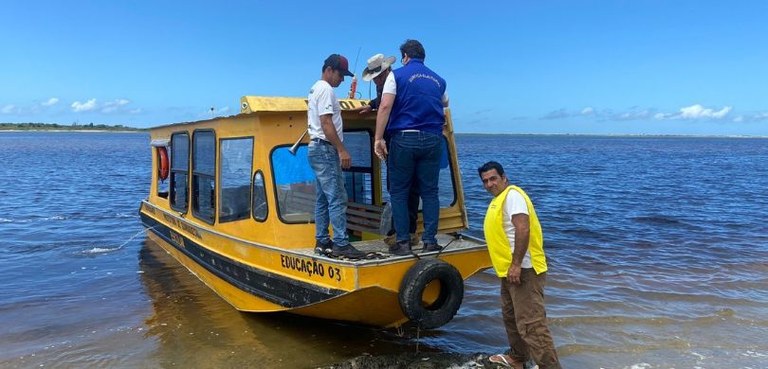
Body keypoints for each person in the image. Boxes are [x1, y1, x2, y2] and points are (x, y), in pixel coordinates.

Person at [478, 161, 561, 369]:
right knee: (511, 317)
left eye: (493, 179)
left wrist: (516, 264)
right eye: (485, 181)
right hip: (509, 271)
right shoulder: (499, 200)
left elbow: (523, 229)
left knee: (532, 325)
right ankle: (518, 358)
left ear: (504, 178)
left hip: (524, 269)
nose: (489, 184)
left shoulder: (513, 195)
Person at [373, 39, 448, 255]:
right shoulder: (439, 80)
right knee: (430, 192)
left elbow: (386, 105)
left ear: (405, 57)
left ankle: (403, 242)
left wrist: (378, 138)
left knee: (399, 191)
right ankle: (430, 241)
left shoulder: (396, 76)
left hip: (405, 138)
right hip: (433, 139)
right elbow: (445, 102)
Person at [307, 54, 366, 259]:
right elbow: (326, 123)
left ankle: (322, 240)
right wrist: (342, 150)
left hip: (316, 147)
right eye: (341, 75)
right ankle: (341, 243)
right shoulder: (325, 89)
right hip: (325, 149)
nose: (342, 80)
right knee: (338, 197)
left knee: (323, 198)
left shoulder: (315, 88)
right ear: (330, 70)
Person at [359, 53, 420, 249]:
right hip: (395, 144)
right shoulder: (384, 86)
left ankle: (404, 233)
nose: (376, 80)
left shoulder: (395, 82)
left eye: (377, 76)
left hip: (400, 143)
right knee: (400, 189)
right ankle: (405, 231)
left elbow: (389, 102)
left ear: (386, 71)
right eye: (374, 77)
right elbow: (382, 101)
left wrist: (378, 138)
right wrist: (371, 105)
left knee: (401, 189)